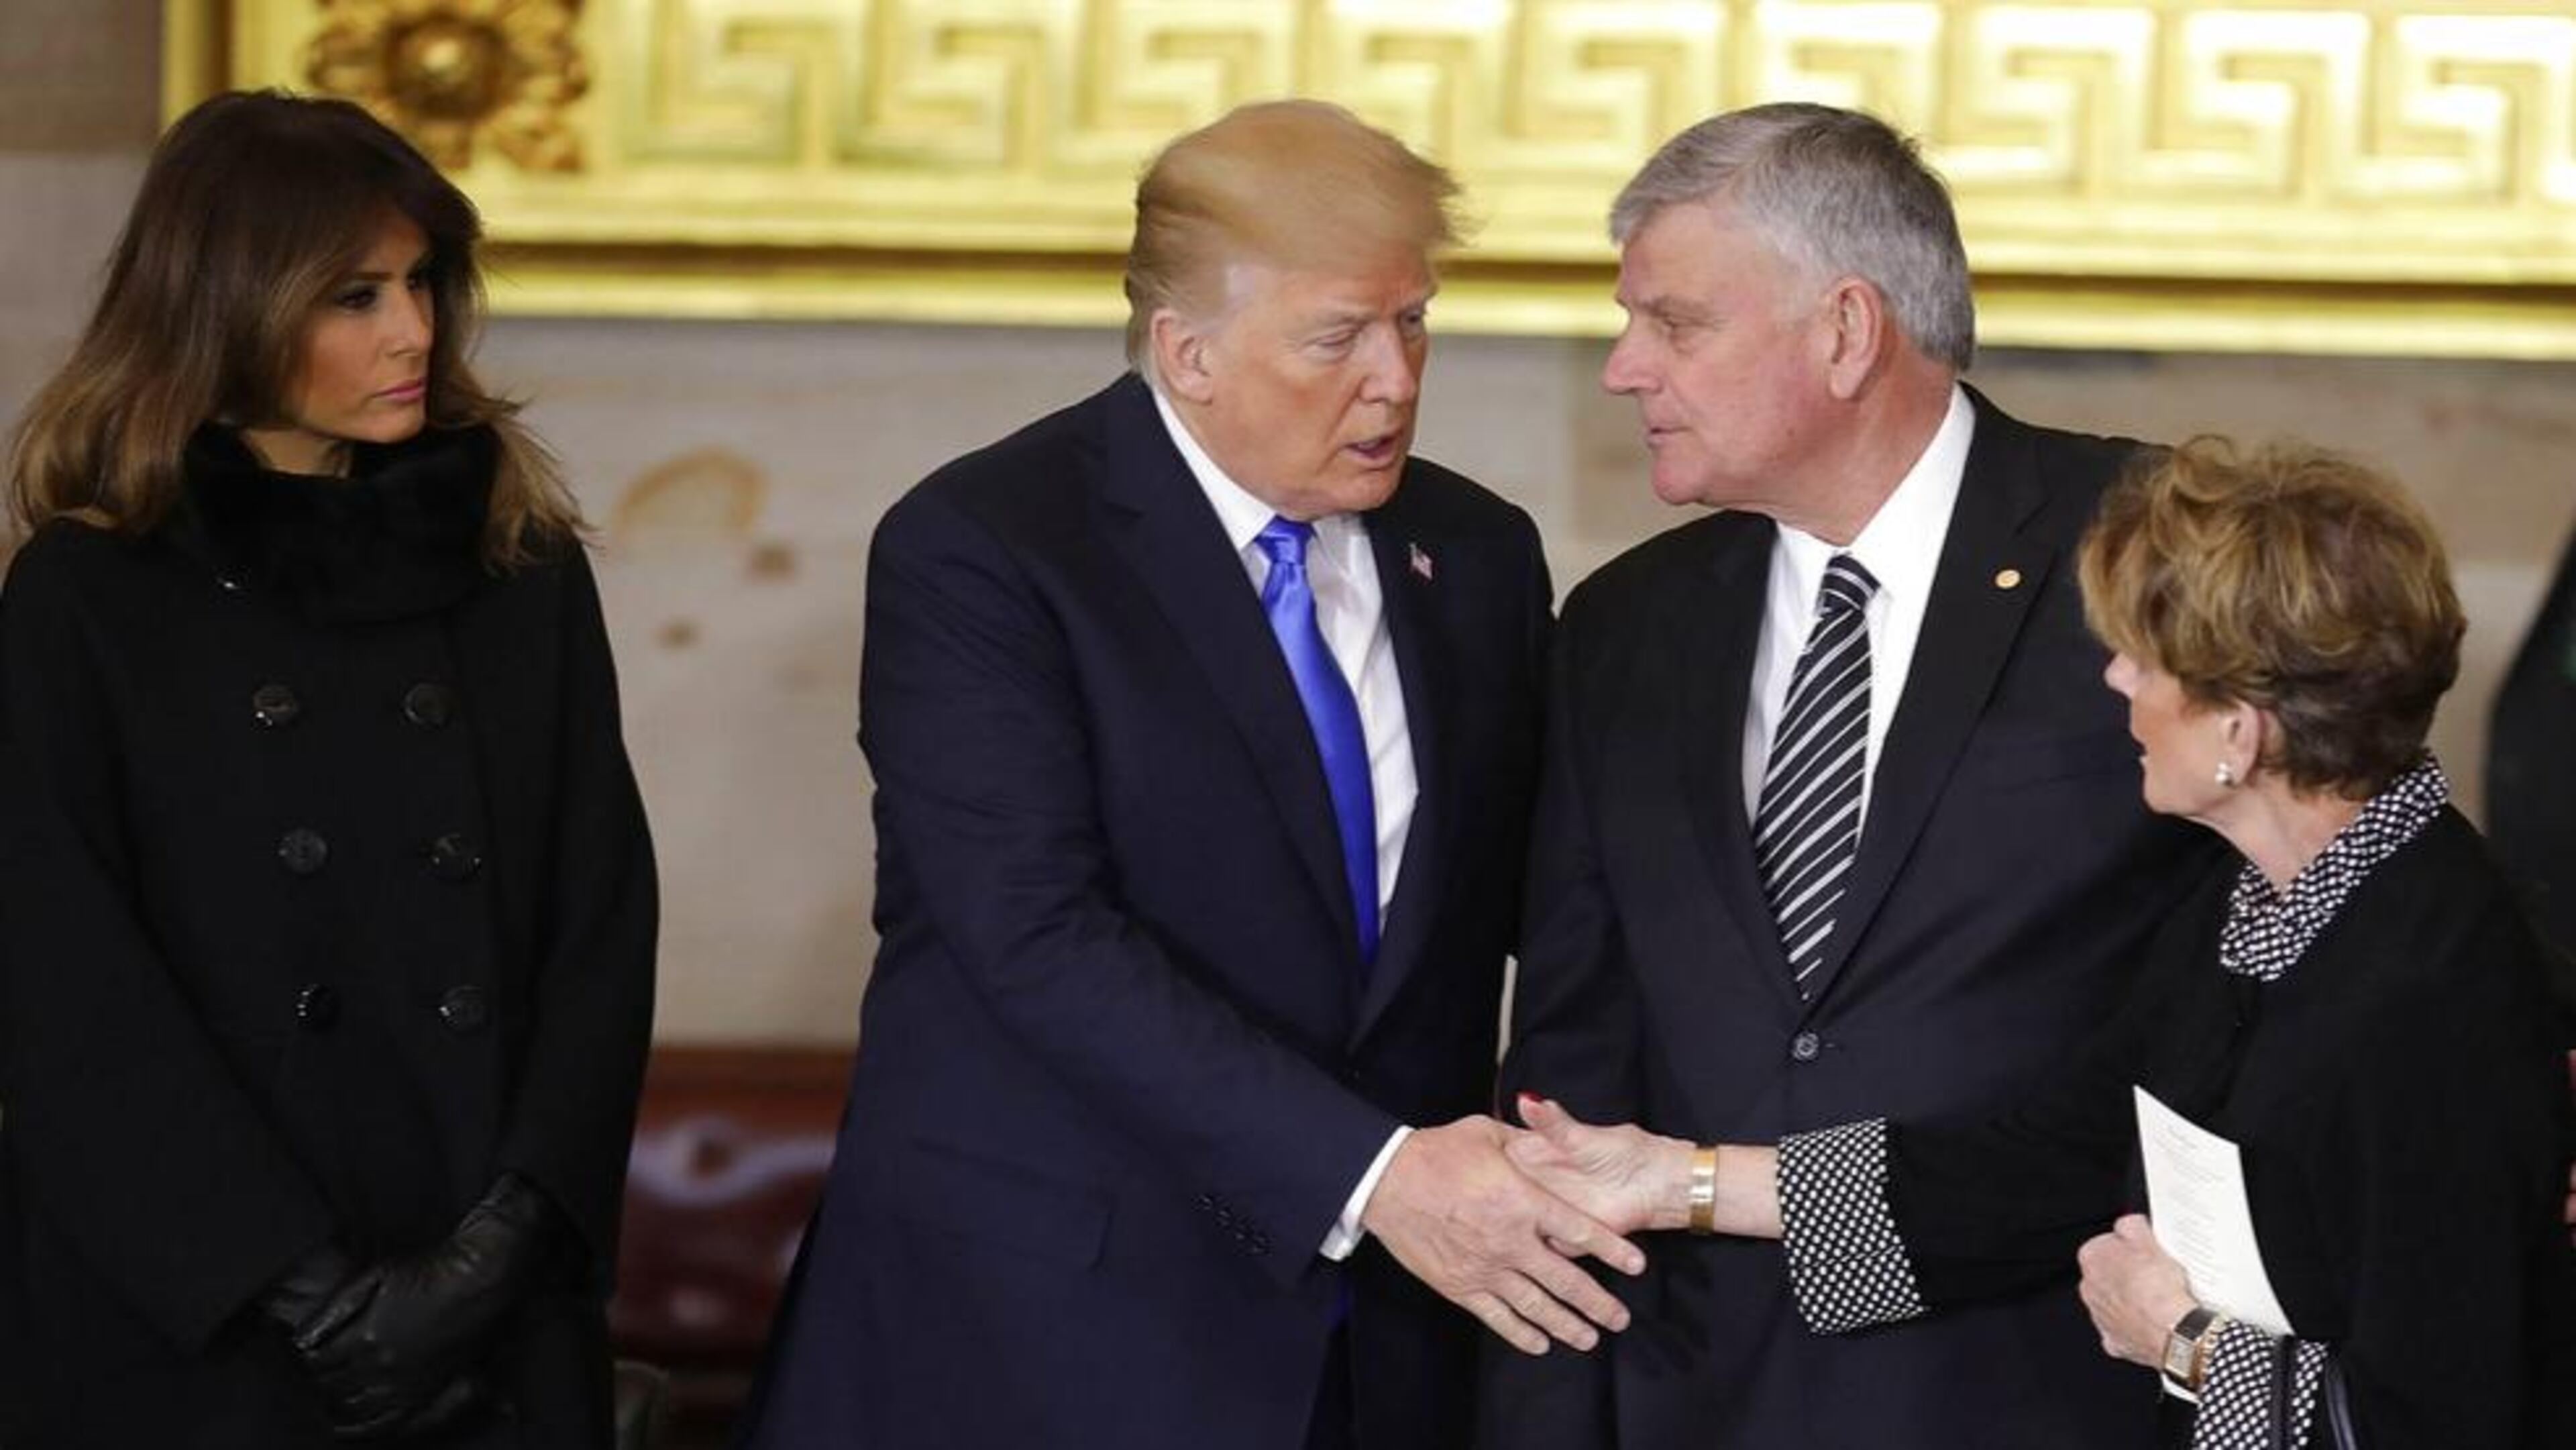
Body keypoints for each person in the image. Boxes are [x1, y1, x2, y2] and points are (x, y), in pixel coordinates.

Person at [735, 99, 1640, 1450]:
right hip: (1050, 1326)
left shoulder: (1477, 553)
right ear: (1188, 353)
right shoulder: (989, 547)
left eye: (1414, 321)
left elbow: (1532, 903)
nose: (1394, 379)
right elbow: (1034, 937)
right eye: (1336, 336)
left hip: (1380, 1342)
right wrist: (1376, 1172)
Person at [1507, 437, 2576, 1446]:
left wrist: (2183, 1341)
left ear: (2239, 735)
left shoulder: (2437, 987)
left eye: (2145, 660)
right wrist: (1676, 1181)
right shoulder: (2256, 909)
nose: (2114, 681)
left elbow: (2448, 1414)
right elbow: (2049, 1157)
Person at [1479, 102, 2223, 1449]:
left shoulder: (2153, 557)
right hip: (1696, 1395)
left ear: (1844, 331)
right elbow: (1573, 1057)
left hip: (2050, 1387)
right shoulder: (1626, 625)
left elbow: (2309, 933)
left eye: (1674, 321)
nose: (1623, 368)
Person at [0, 91, 657, 1447]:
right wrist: (305, 1293)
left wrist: (493, 1258)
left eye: (422, 283)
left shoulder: (516, 569)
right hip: (200, 1314)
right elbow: (61, 986)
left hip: (488, 1309)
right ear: (225, 306)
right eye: (353, 296)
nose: (413, 332)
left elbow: (600, 928)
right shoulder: (88, 593)